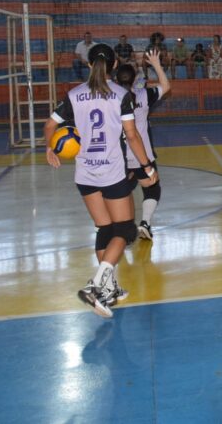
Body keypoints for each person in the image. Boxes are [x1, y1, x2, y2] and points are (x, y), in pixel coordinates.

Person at [44, 43, 158, 318]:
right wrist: (147, 165)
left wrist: (51, 147)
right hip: (112, 173)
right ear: (115, 65)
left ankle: (110, 289)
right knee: (125, 231)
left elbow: (50, 126)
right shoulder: (120, 95)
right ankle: (96, 286)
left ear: (88, 64)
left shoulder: (74, 94)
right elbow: (131, 135)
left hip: (85, 175)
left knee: (104, 229)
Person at [115, 49, 171, 239]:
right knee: (152, 188)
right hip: (142, 156)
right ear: (133, 79)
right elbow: (165, 86)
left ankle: (119, 226)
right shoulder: (144, 95)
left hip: (118, 157)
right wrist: (155, 63)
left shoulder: (110, 97)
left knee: (122, 190)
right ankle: (145, 223)